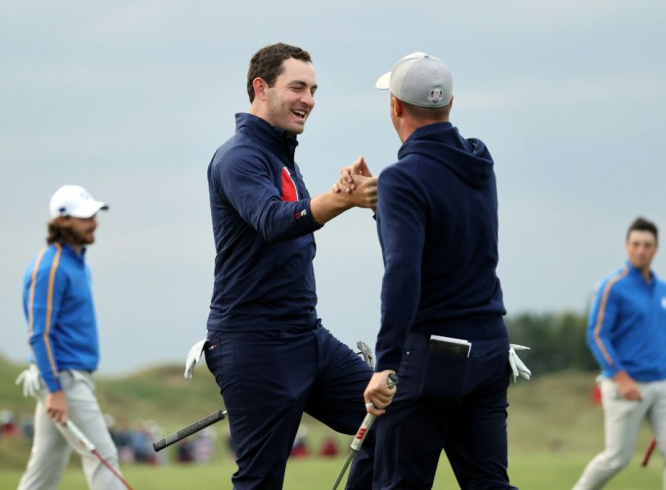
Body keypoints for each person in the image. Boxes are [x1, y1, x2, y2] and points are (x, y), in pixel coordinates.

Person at [199, 42, 379, 489]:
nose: (309, 100)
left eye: (314, 90)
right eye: (297, 87)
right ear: (261, 88)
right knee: (261, 482)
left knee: (390, 421)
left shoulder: (280, 155)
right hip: (252, 342)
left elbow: (295, 216)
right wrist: (342, 199)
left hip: (305, 335)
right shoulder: (238, 157)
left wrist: (337, 190)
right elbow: (274, 221)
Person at [355, 52, 523, 489]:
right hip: (489, 349)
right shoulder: (478, 160)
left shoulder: (402, 178)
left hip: (432, 355)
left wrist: (387, 362)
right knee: (489, 483)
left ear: (395, 106)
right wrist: (384, 207)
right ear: (450, 103)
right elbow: (441, 232)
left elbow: (404, 273)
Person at [16, 185, 126, 490]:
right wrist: (55, 389)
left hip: (67, 377)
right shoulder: (50, 267)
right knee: (104, 458)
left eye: (93, 215)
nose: (94, 222)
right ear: (62, 222)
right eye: (85, 217)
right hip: (63, 378)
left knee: (45, 469)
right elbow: (40, 334)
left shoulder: (75, 263)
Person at [573, 217, 666, 490]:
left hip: (665, 384)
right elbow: (597, 335)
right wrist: (621, 378)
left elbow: (661, 333)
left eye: (647, 245)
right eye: (636, 244)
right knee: (616, 458)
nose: (641, 250)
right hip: (627, 385)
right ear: (627, 246)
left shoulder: (663, 289)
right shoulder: (612, 286)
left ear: (656, 248)